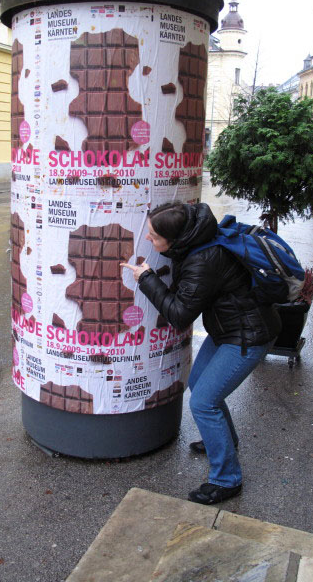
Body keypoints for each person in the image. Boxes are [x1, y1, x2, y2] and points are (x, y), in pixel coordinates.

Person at [121, 202, 281, 505]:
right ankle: (224, 441)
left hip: (247, 335)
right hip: (229, 329)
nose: (148, 240)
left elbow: (180, 315)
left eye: (154, 236)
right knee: (199, 381)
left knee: (203, 402)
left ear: (176, 239)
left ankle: (227, 479)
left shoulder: (203, 259)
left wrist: (146, 279)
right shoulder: (195, 239)